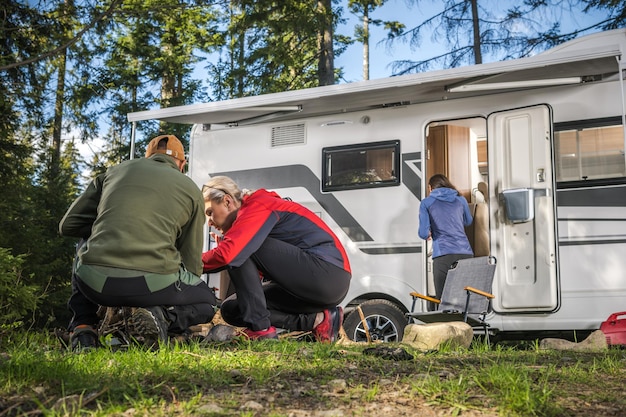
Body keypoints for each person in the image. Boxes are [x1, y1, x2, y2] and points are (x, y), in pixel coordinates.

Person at [59, 134, 217, 351]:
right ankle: (163, 316)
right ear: (182, 164)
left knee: (86, 241)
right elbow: (191, 262)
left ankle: (83, 328)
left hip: (94, 285)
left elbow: (67, 225)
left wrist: (109, 229)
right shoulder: (190, 189)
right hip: (150, 287)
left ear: (147, 156)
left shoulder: (113, 172)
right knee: (208, 302)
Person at [201, 176, 351, 342]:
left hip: (329, 275)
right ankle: (319, 320)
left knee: (239, 249)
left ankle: (262, 330)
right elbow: (251, 284)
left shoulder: (257, 206)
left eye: (210, 212)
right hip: (309, 289)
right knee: (232, 309)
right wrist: (227, 247)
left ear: (227, 201)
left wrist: (187, 263)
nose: (209, 222)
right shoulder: (247, 221)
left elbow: (231, 254)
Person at [418, 174, 474, 301]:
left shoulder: (426, 203)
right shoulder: (461, 199)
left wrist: (430, 231)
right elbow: (468, 221)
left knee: (444, 299)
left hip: (443, 255)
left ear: (430, 188)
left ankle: (448, 321)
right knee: (465, 298)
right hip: (465, 253)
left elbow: (423, 233)